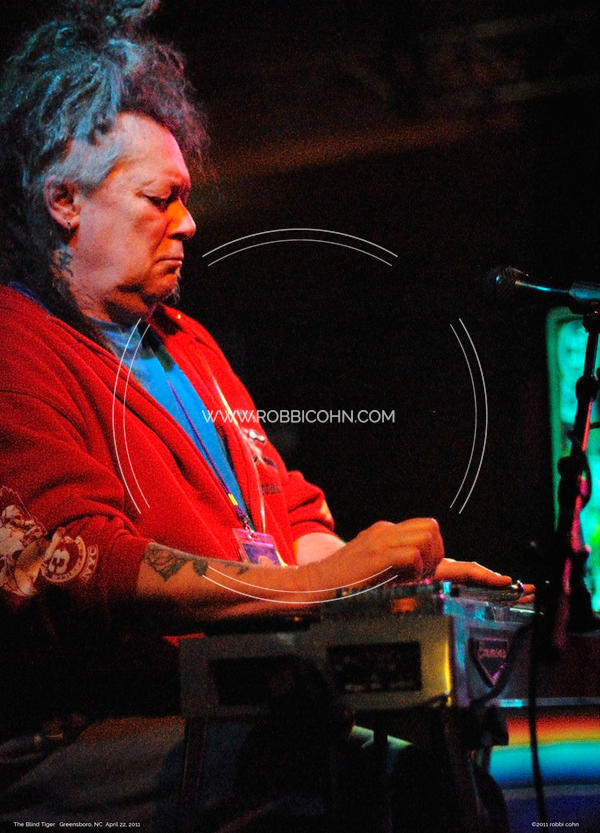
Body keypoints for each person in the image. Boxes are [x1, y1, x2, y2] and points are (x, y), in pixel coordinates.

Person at [0, 2, 532, 830]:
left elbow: (285, 517)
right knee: (334, 785)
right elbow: (80, 561)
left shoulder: (189, 346)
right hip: (79, 739)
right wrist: (320, 584)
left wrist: (388, 584)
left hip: (221, 714)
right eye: (161, 197)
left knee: (433, 777)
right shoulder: (16, 341)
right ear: (64, 198)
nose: (188, 220)